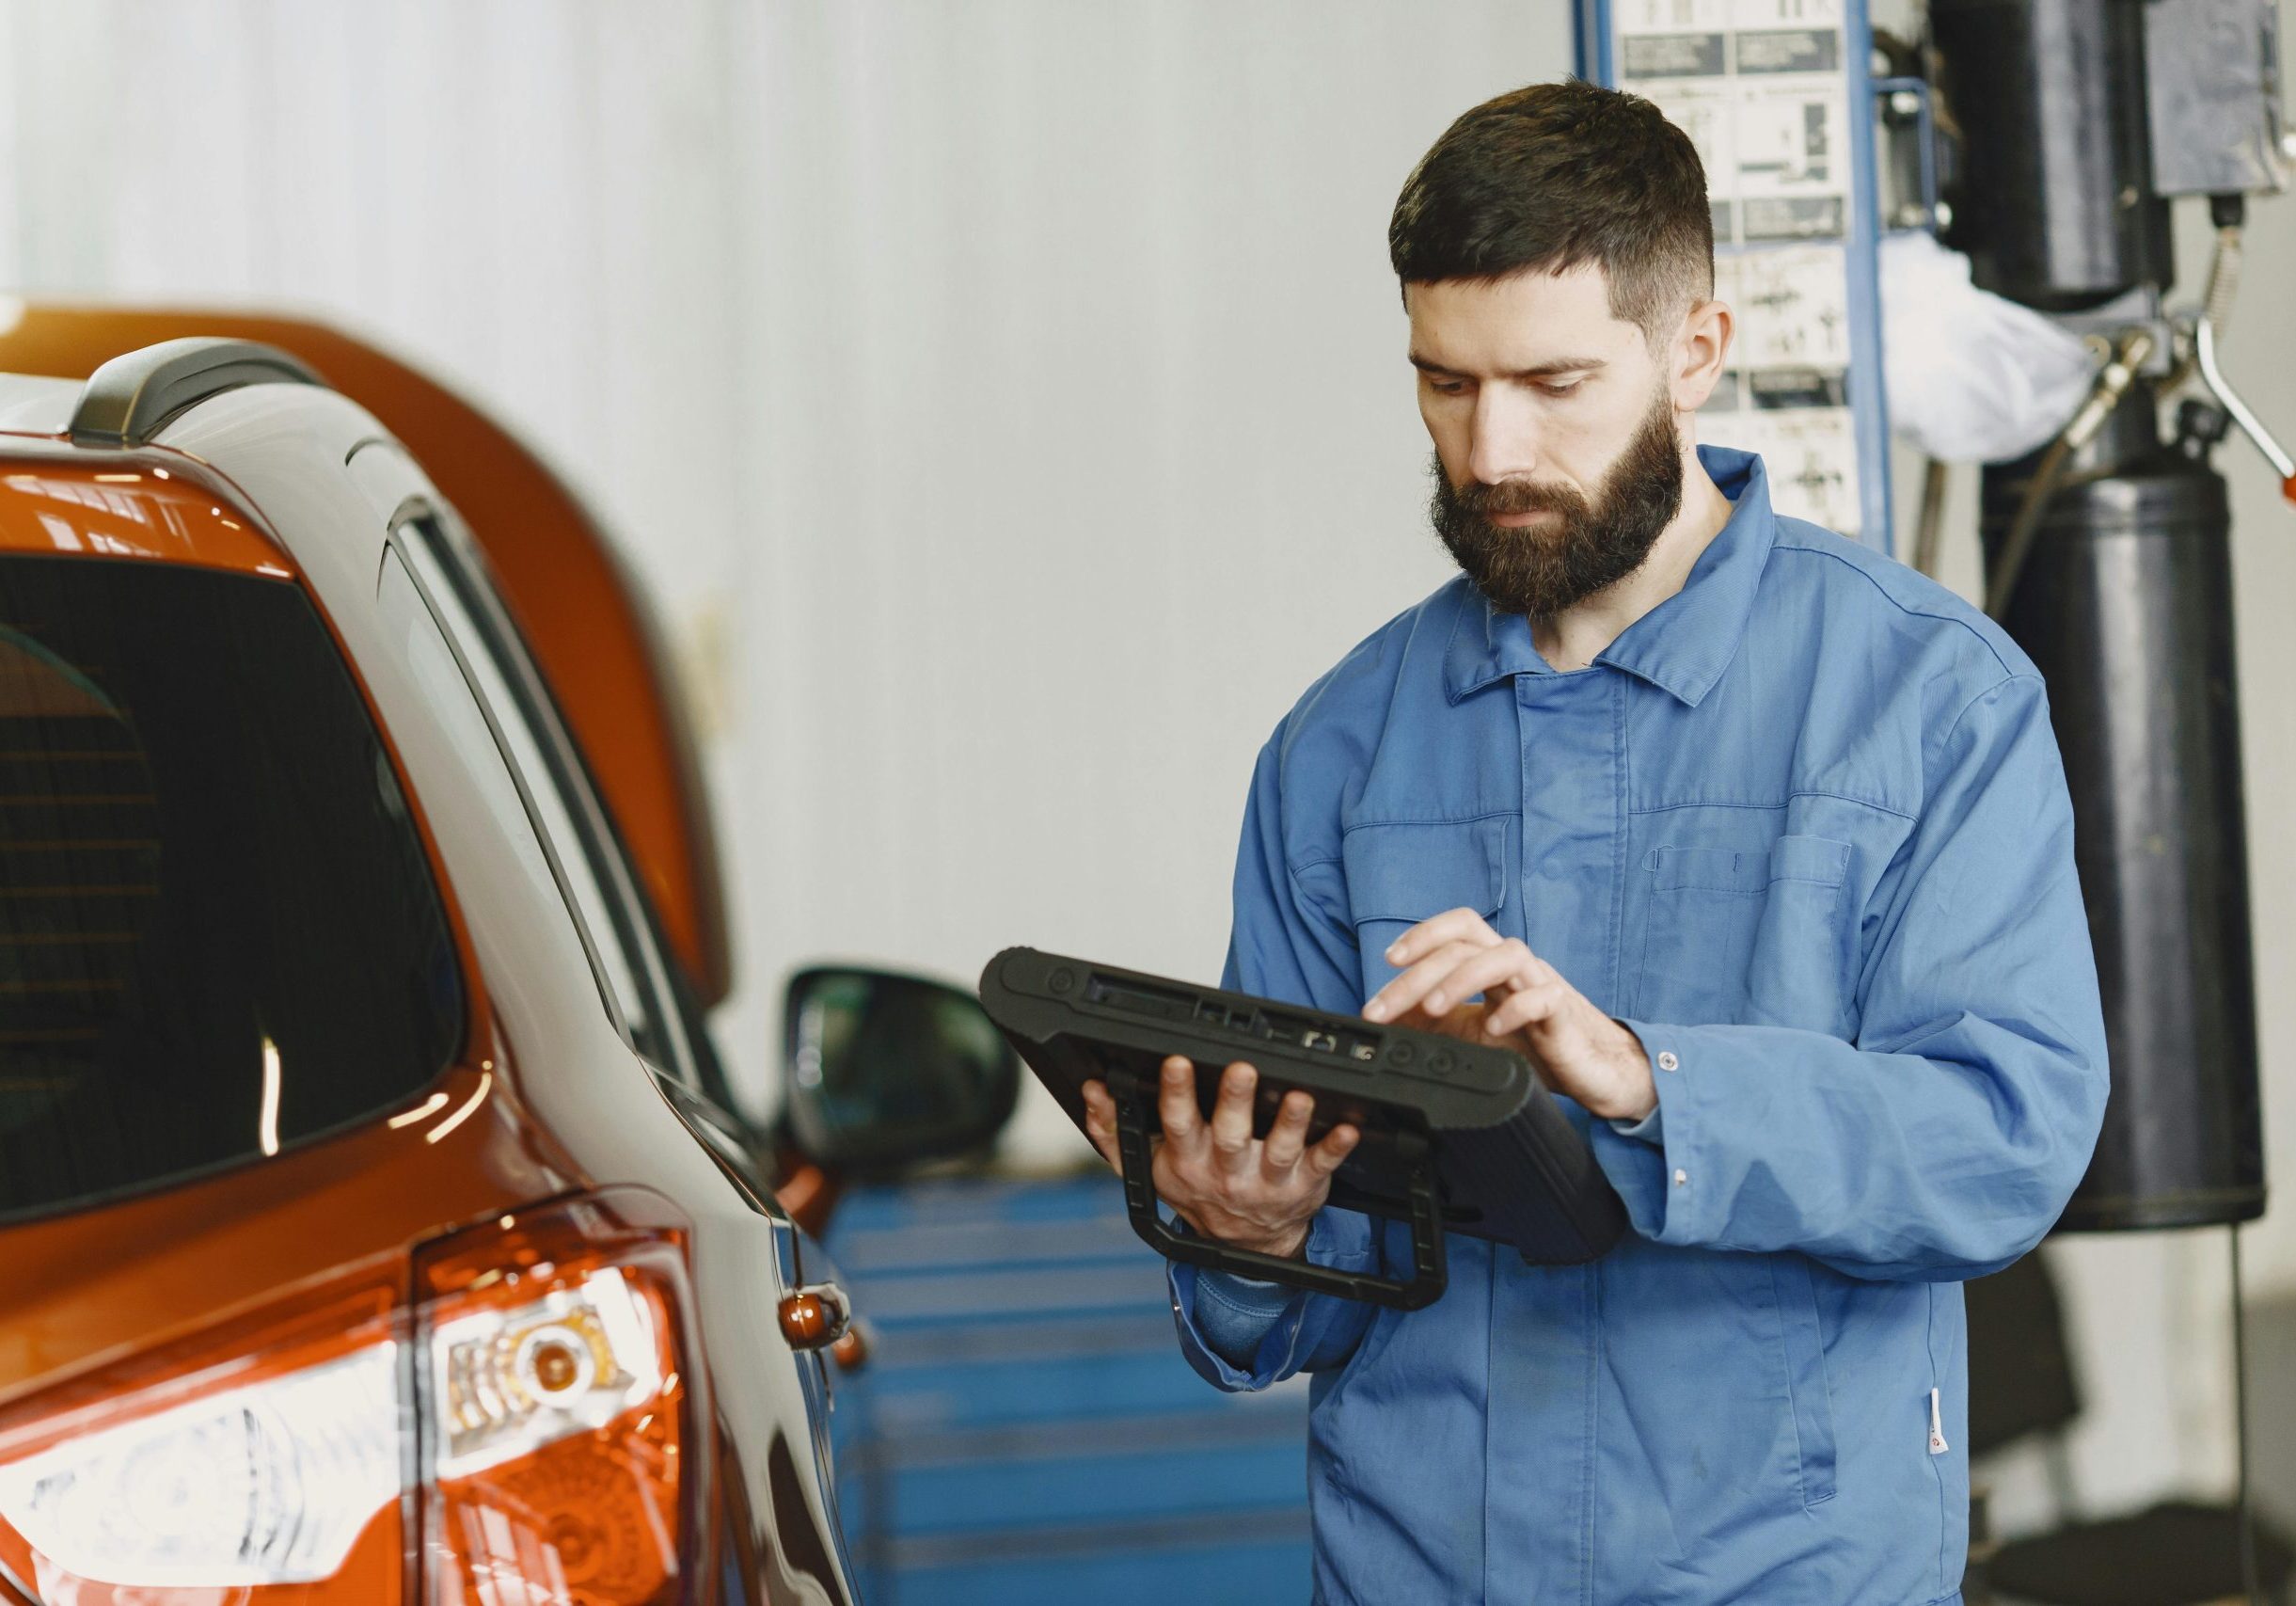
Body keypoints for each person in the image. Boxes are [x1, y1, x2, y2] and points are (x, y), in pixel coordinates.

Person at [1075, 79, 2108, 1605]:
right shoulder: (1340, 749)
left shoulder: (1924, 699)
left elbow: (2003, 1141)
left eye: (1551, 382)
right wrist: (1240, 1233)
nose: (1489, 448)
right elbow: (1304, 1309)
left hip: (1781, 1575)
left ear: (1693, 347)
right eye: (1444, 382)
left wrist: (1648, 1078)